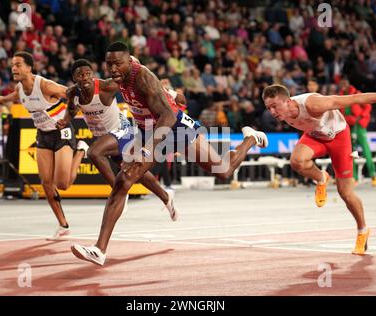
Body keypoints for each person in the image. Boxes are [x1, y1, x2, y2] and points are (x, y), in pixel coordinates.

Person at [71, 41, 268, 266]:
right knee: (122, 181)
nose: (113, 69)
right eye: (109, 64)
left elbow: (168, 117)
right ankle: (99, 250)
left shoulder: (142, 77)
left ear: (129, 61)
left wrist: (146, 148)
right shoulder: (120, 76)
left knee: (223, 170)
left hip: (175, 128)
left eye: (118, 64)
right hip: (148, 129)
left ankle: (251, 138)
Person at [262, 84, 376, 255]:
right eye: (268, 108)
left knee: (346, 194)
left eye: (274, 106)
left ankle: (363, 230)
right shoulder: (284, 114)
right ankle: (321, 177)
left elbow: (352, 99)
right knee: (297, 161)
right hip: (315, 136)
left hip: (339, 139)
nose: (272, 112)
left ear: (288, 101)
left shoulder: (314, 104)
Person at [57, 59, 178, 219]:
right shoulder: (73, 93)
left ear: (92, 74)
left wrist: (168, 92)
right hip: (105, 136)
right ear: (74, 78)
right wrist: (65, 120)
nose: (85, 78)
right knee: (137, 172)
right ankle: (166, 197)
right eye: (81, 75)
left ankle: (118, 192)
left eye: (88, 74)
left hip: (121, 130)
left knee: (94, 152)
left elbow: (133, 82)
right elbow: (72, 109)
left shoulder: (106, 86)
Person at [0, 51, 88, 240]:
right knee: (46, 183)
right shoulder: (20, 88)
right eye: (13, 64)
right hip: (43, 135)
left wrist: (73, 112)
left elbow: (71, 93)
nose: (14, 68)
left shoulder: (45, 85)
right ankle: (63, 225)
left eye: (18, 64)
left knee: (63, 184)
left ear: (29, 68)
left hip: (62, 132)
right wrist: (3, 99)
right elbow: (16, 95)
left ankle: (81, 151)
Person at [339, 78, 376, 186]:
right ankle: (354, 178)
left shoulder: (356, 94)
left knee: (366, 151)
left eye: (344, 83)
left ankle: (373, 175)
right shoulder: (339, 97)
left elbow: (368, 107)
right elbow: (340, 113)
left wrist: (360, 118)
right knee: (352, 153)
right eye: (341, 84)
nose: (342, 85)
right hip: (348, 128)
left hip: (359, 127)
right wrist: (347, 120)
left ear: (348, 84)